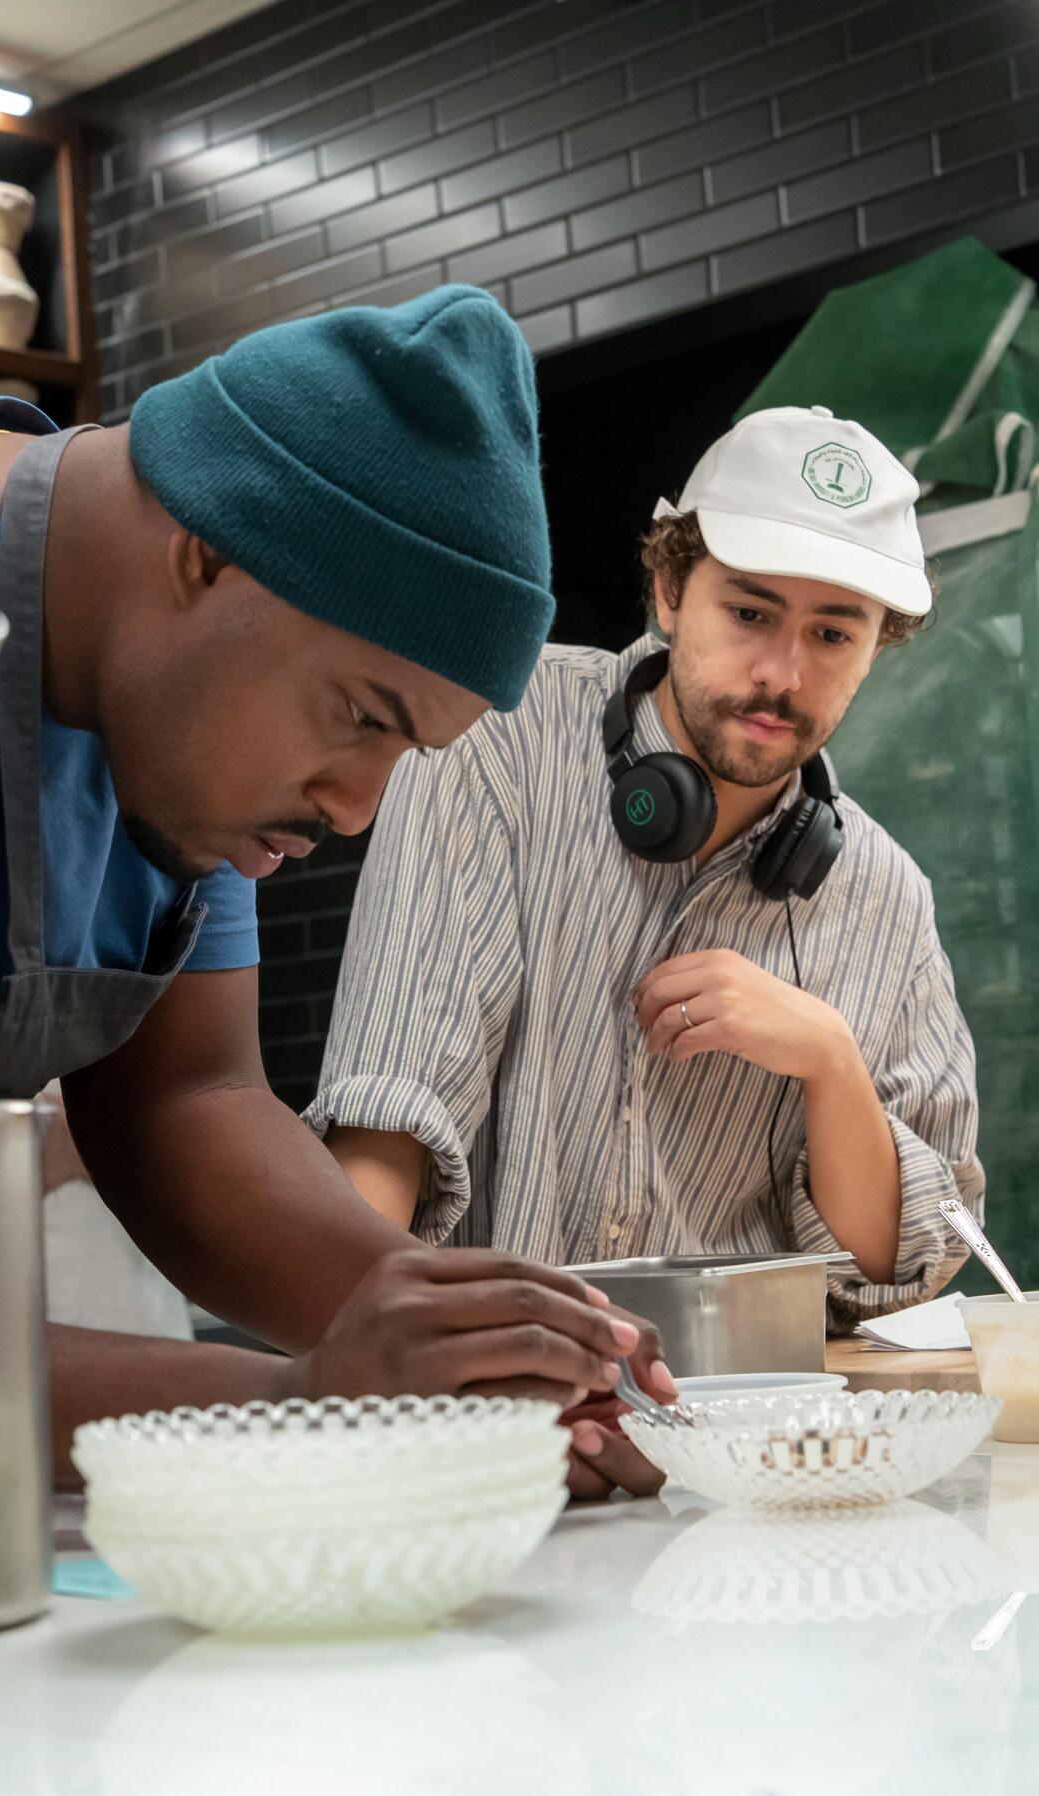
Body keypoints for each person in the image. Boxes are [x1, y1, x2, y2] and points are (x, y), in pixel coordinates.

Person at [0, 286, 672, 1486]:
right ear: (207, 552)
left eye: (405, 755)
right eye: (359, 717)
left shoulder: (166, 743)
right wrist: (301, 1400)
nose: (353, 808)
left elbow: (189, 1099)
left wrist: (466, 1335)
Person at [314, 404, 986, 1474]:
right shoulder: (498, 744)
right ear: (671, 588)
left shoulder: (885, 895)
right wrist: (358, 1384)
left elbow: (889, 1264)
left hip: (752, 1461)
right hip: (495, 1429)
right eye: (751, 611)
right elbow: (392, 1118)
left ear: (874, 646)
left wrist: (828, 1057)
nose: (784, 674)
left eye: (832, 632)